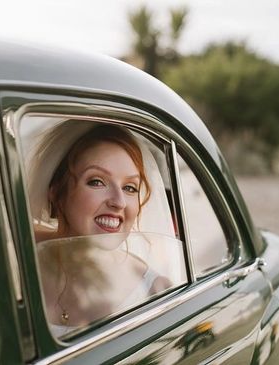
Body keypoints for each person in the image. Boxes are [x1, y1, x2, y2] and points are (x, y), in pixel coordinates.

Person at [26, 121, 174, 337]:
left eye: (130, 187)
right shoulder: (16, 256)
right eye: (97, 182)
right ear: (56, 192)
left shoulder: (156, 291)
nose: (119, 201)